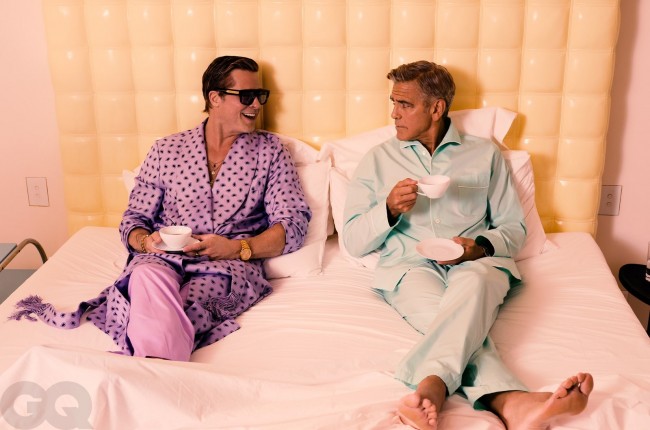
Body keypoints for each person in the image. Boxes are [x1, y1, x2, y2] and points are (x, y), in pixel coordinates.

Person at [341, 60, 593, 430]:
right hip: (409, 268)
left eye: (405, 104)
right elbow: (352, 240)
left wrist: (480, 247)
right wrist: (388, 209)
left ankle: (431, 387)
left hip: (476, 263)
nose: (394, 113)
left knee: (473, 287)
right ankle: (513, 403)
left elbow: (513, 227)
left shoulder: (484, 154)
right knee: (453, 321)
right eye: (393, 103)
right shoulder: (378, 159)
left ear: (436, 108)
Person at [11, 56, 311, 362]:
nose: (257, 105)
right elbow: (134, 219)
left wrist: (236, 248)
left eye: (261, 95)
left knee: (178, 306)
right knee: (145, 277)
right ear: (215, 98)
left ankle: (145, 366)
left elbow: (293, 225)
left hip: (226, 267)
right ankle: (157, 365)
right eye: (247, 96)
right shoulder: (166, 150)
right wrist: (146, 243)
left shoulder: (271, 153)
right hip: (162, 259)